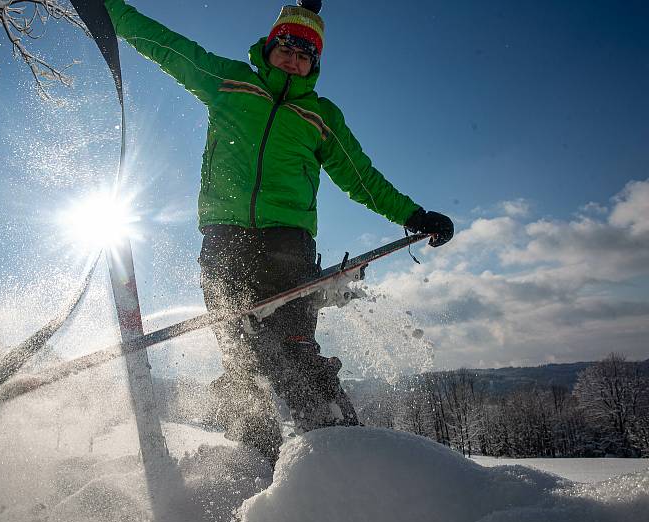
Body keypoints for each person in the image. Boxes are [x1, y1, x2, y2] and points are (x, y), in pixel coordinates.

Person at [103, 0, 454, 465]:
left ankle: (344, 460)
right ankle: (256, 464)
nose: (293, 59)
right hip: (224, 240)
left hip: (287, 246)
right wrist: (108, 8)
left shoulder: (320, 116)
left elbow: (362, 178)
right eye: (285, 48)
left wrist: (413, 215)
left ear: (315, 65)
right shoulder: (229, 82)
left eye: (304, 55)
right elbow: (167, 46)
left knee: (295, 352)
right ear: (268, 49)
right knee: (242, 359)